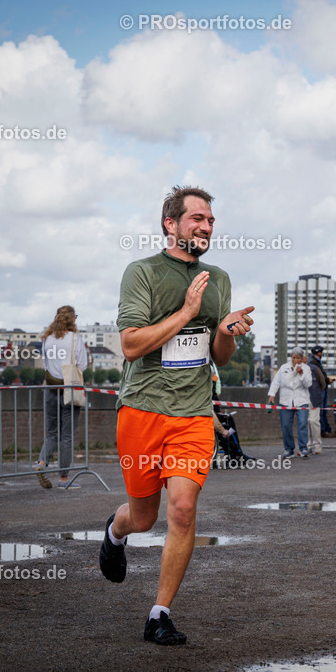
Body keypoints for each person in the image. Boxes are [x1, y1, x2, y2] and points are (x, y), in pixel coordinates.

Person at [99, 185, 254, 646]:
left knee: (183, 511)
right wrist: (187, 310)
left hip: (192, 414)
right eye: (197, 219)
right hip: (142, 410)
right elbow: (130, 344)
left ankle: (159, 613)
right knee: (144, 517)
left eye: (210, 220)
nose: (206, 227)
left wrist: (227, 332)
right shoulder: (142, 272)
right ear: (171, 223)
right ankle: (116, 529)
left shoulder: (218, 279)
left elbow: (220, 357)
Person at [36, 305, 89, 490]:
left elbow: (45, 364)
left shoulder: (47, 339)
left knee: (52, 432)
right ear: (72, 319)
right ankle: (63, 479)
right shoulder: (75, 339)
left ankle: (41, 463)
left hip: (50, 389)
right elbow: (82, 365)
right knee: (67, 436)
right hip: (69, 389)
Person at [267, 347, 312, 458]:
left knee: (302, 424)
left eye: (298, 358)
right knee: (286, 425)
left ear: (302, 358)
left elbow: (308, 384)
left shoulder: (306, 368)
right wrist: (272, 394)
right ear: (291, 357)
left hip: (301, 400)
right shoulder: (284, 367)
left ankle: (303, 448)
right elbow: (276, 382)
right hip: (286, 400)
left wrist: (301, 374)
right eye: (294, 358)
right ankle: (289, 449)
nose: (296, 360)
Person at [306, 347, 327, 455]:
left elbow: (322, 382)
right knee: (305, 422)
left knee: (313, 422)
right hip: (303, 399)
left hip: (314, 398)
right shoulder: (298, 370)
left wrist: (317, 393)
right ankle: (307, 445)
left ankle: (317, 445)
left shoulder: (314, 368)